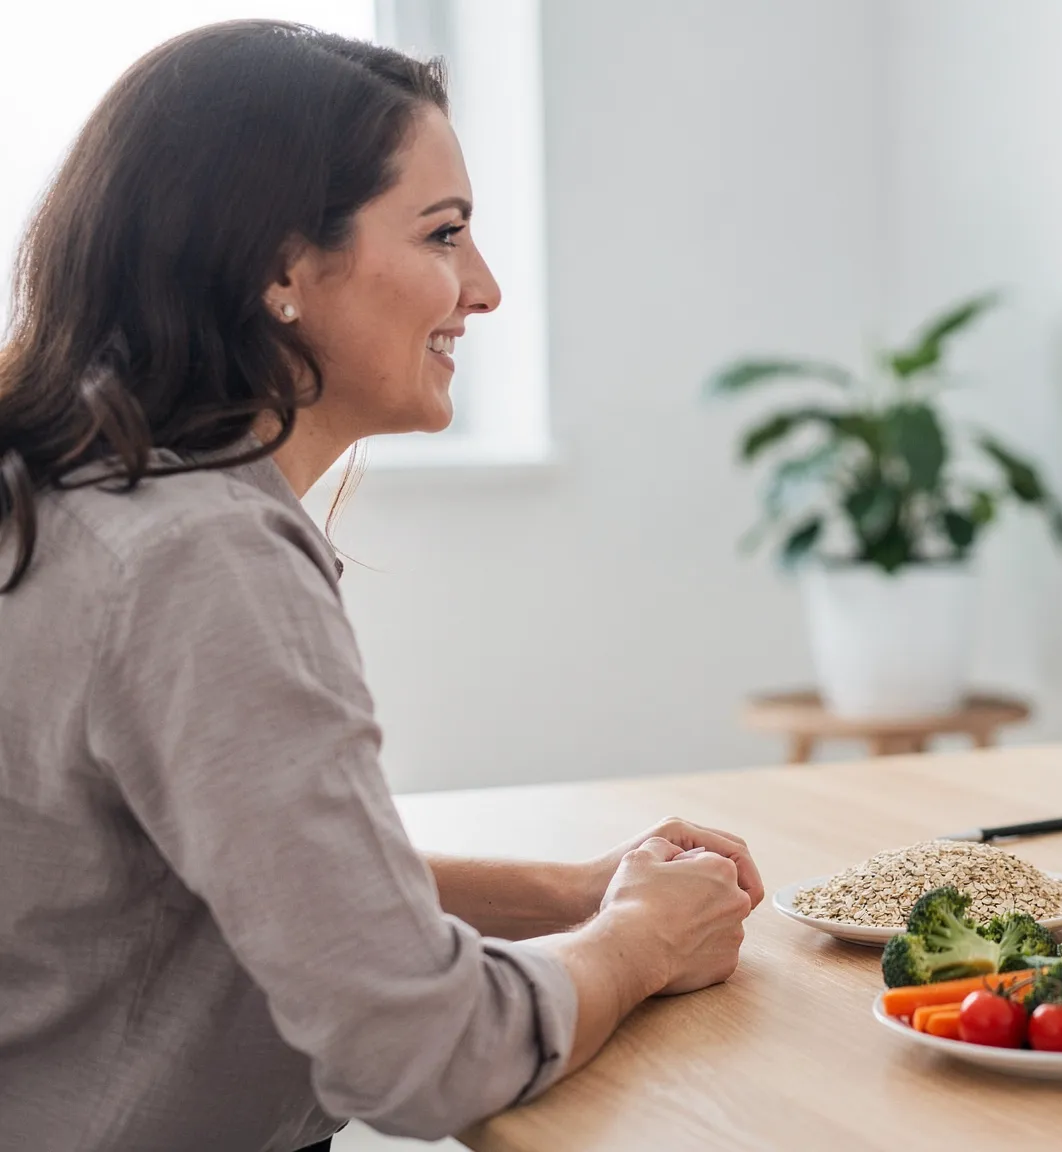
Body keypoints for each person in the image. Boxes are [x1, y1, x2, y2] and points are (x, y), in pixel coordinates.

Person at [0, 23, 760, 1151]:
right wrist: (637, 940)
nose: (487, 289)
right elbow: (425, 1058)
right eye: (444, 233)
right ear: (279, 270)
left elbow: (239, 867)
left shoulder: (76, 495)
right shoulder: (202, 559)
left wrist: (572, 891)